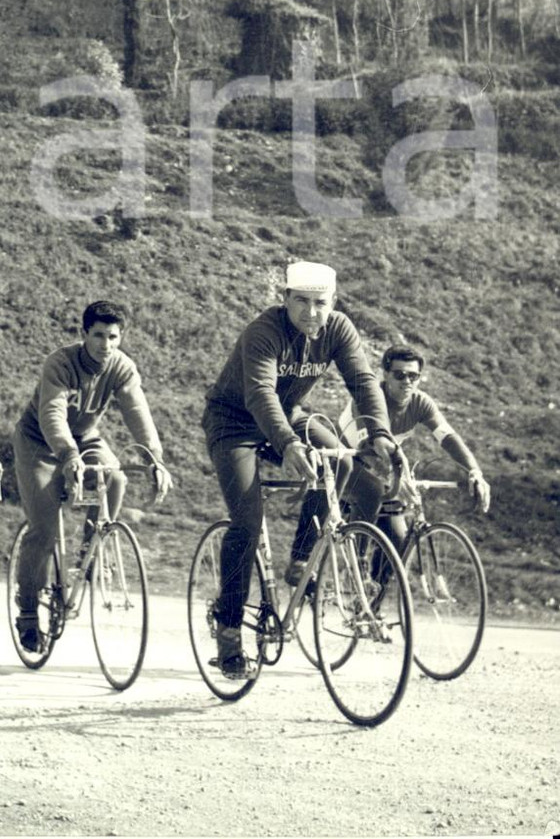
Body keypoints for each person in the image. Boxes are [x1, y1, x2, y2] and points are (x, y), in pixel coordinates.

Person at [201, 261, 398, 679]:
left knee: (342, 463)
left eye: (320, 303)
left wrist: (379, 432)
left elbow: (363, 383)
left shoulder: (339, 329)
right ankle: (229, 631)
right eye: (302, 302)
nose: (312, 313)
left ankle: (301, 558)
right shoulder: (264, 331)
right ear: (285, 299)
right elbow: (259, 393)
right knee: (247, 523)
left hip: (289, 415)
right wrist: (288, 444)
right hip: (234, 422)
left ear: (334, 302)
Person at [11, 300, 173, 654]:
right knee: (45, 528)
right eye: (98, 335)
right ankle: (26, 610)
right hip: (39, 442)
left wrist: (154, 460)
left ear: (121, 336)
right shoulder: (61, 362)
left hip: (86, 438)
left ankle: (91, 550)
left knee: (115, 479)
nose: (106, 344)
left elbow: (137, 412)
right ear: (83, 334)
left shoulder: (121, 366)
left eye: (113, 336)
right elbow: (52, 413)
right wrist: (67, 455)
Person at [338, 344, 491, 553]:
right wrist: (395, 476)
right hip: (347, 462)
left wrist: (474, 472)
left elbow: (447, 436)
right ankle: (357, 570)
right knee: (371, 493)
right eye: (400, 375)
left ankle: (376, 586)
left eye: (413, 376)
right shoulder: (369, 398)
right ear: (386, 374)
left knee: (399, 541)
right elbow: (369, 447)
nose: (407, 382)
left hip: (382, 467)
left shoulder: (420, 403)